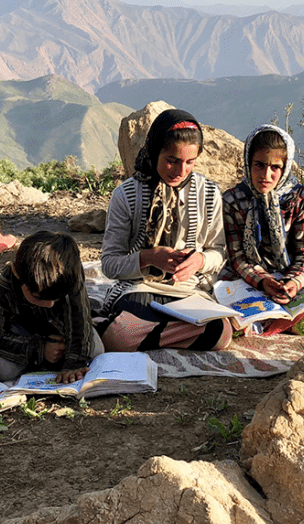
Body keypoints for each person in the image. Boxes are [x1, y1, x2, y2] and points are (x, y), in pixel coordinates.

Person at [100, 108, 233, 352]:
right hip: (140, 288)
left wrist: (200, 261)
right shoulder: (126, 195)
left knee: (223, 333)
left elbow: (219, 252)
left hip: (189, 292)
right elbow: (110, 265)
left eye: (189, 162)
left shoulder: (209, 193)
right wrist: (149, 258)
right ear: (155, 151)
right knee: (120, 335)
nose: (180, 171)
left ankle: (144, 336)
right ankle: (170, 334)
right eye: (172, 160)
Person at [222, 124, 304, 337]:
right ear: (248, 163)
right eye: (259, 165)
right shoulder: (233, 200)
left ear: (285, 168)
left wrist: (293, 282)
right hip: (248, 278)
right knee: (235, 321)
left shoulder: (299, 199)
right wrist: (263, 281)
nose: (266, 175)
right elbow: (237, 256)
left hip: (290, 276)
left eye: (275, 167)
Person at [0, 231, 103, 385]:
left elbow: (79, 318)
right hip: (22, 332)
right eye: (38, 297)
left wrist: (74, 363)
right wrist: (40, 350)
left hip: (60, 327)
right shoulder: (6, 286)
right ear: (17, 274)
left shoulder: (69, 273)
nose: (50, 304)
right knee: (1, 369)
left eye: (56, 298)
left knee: (96, 351)